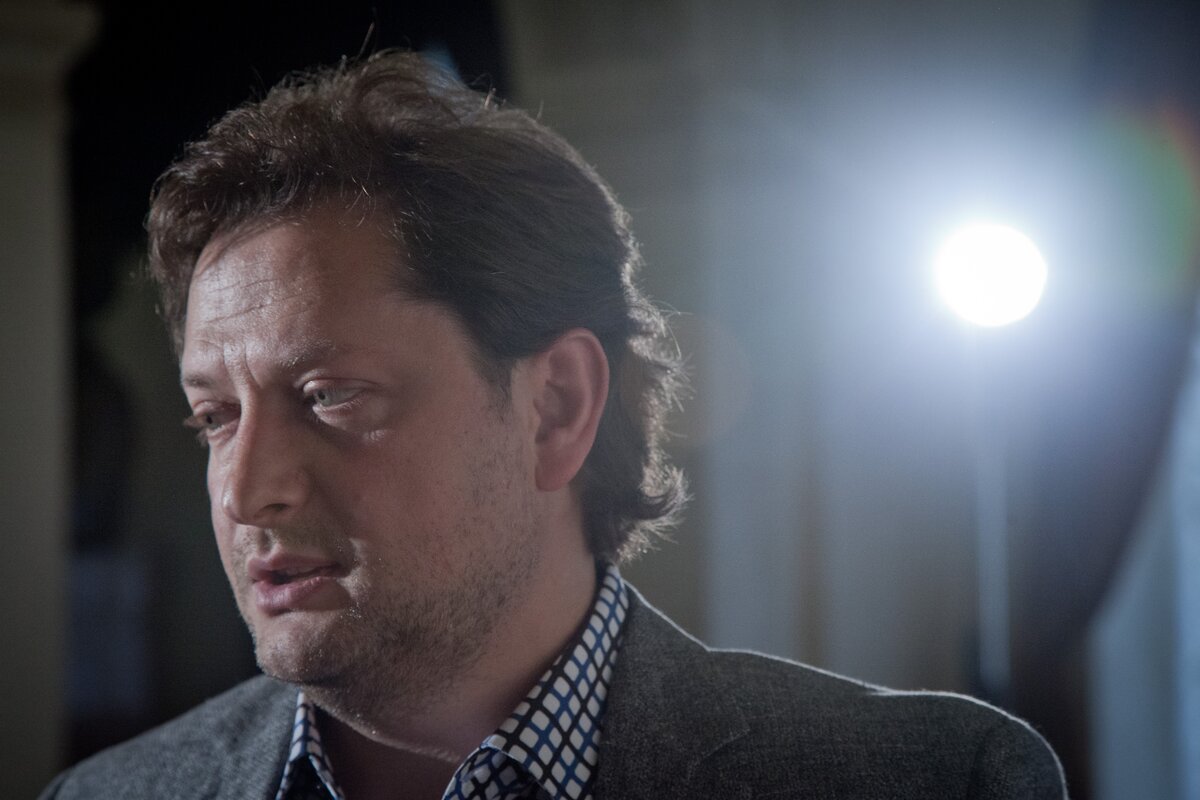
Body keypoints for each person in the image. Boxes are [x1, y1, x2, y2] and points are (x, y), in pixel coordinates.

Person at [41, 51, 1066, 799]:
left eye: (330, 394)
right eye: (215, 417)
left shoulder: (928, 780)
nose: (244, 488)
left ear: (557, 406)